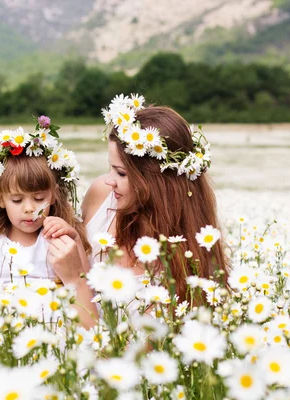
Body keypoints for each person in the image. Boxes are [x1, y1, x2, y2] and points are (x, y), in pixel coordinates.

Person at [46, 95, 229, 303]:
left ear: (157, 182)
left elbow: (117, 332)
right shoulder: (101, 194)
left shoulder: (186, 253)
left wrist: (74, 280)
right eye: (110, 168)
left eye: (121, 173)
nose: (110, 181)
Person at [0, 117, 98, 327]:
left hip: (57, 327)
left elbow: (84, 284)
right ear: (0, 198)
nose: (29, 208)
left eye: (39, 198)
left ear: (53, 195)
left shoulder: (58, 238)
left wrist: (74, 238)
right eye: (17, 200)